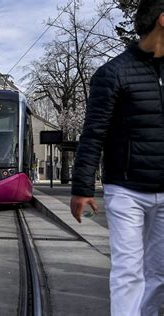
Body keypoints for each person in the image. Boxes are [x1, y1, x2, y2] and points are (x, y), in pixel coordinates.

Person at [70, 1, 164, 315]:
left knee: (160, 275)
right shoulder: (112, 74)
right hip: (126, 191)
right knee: (128, 273)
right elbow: (93, 132)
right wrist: (82, 188)